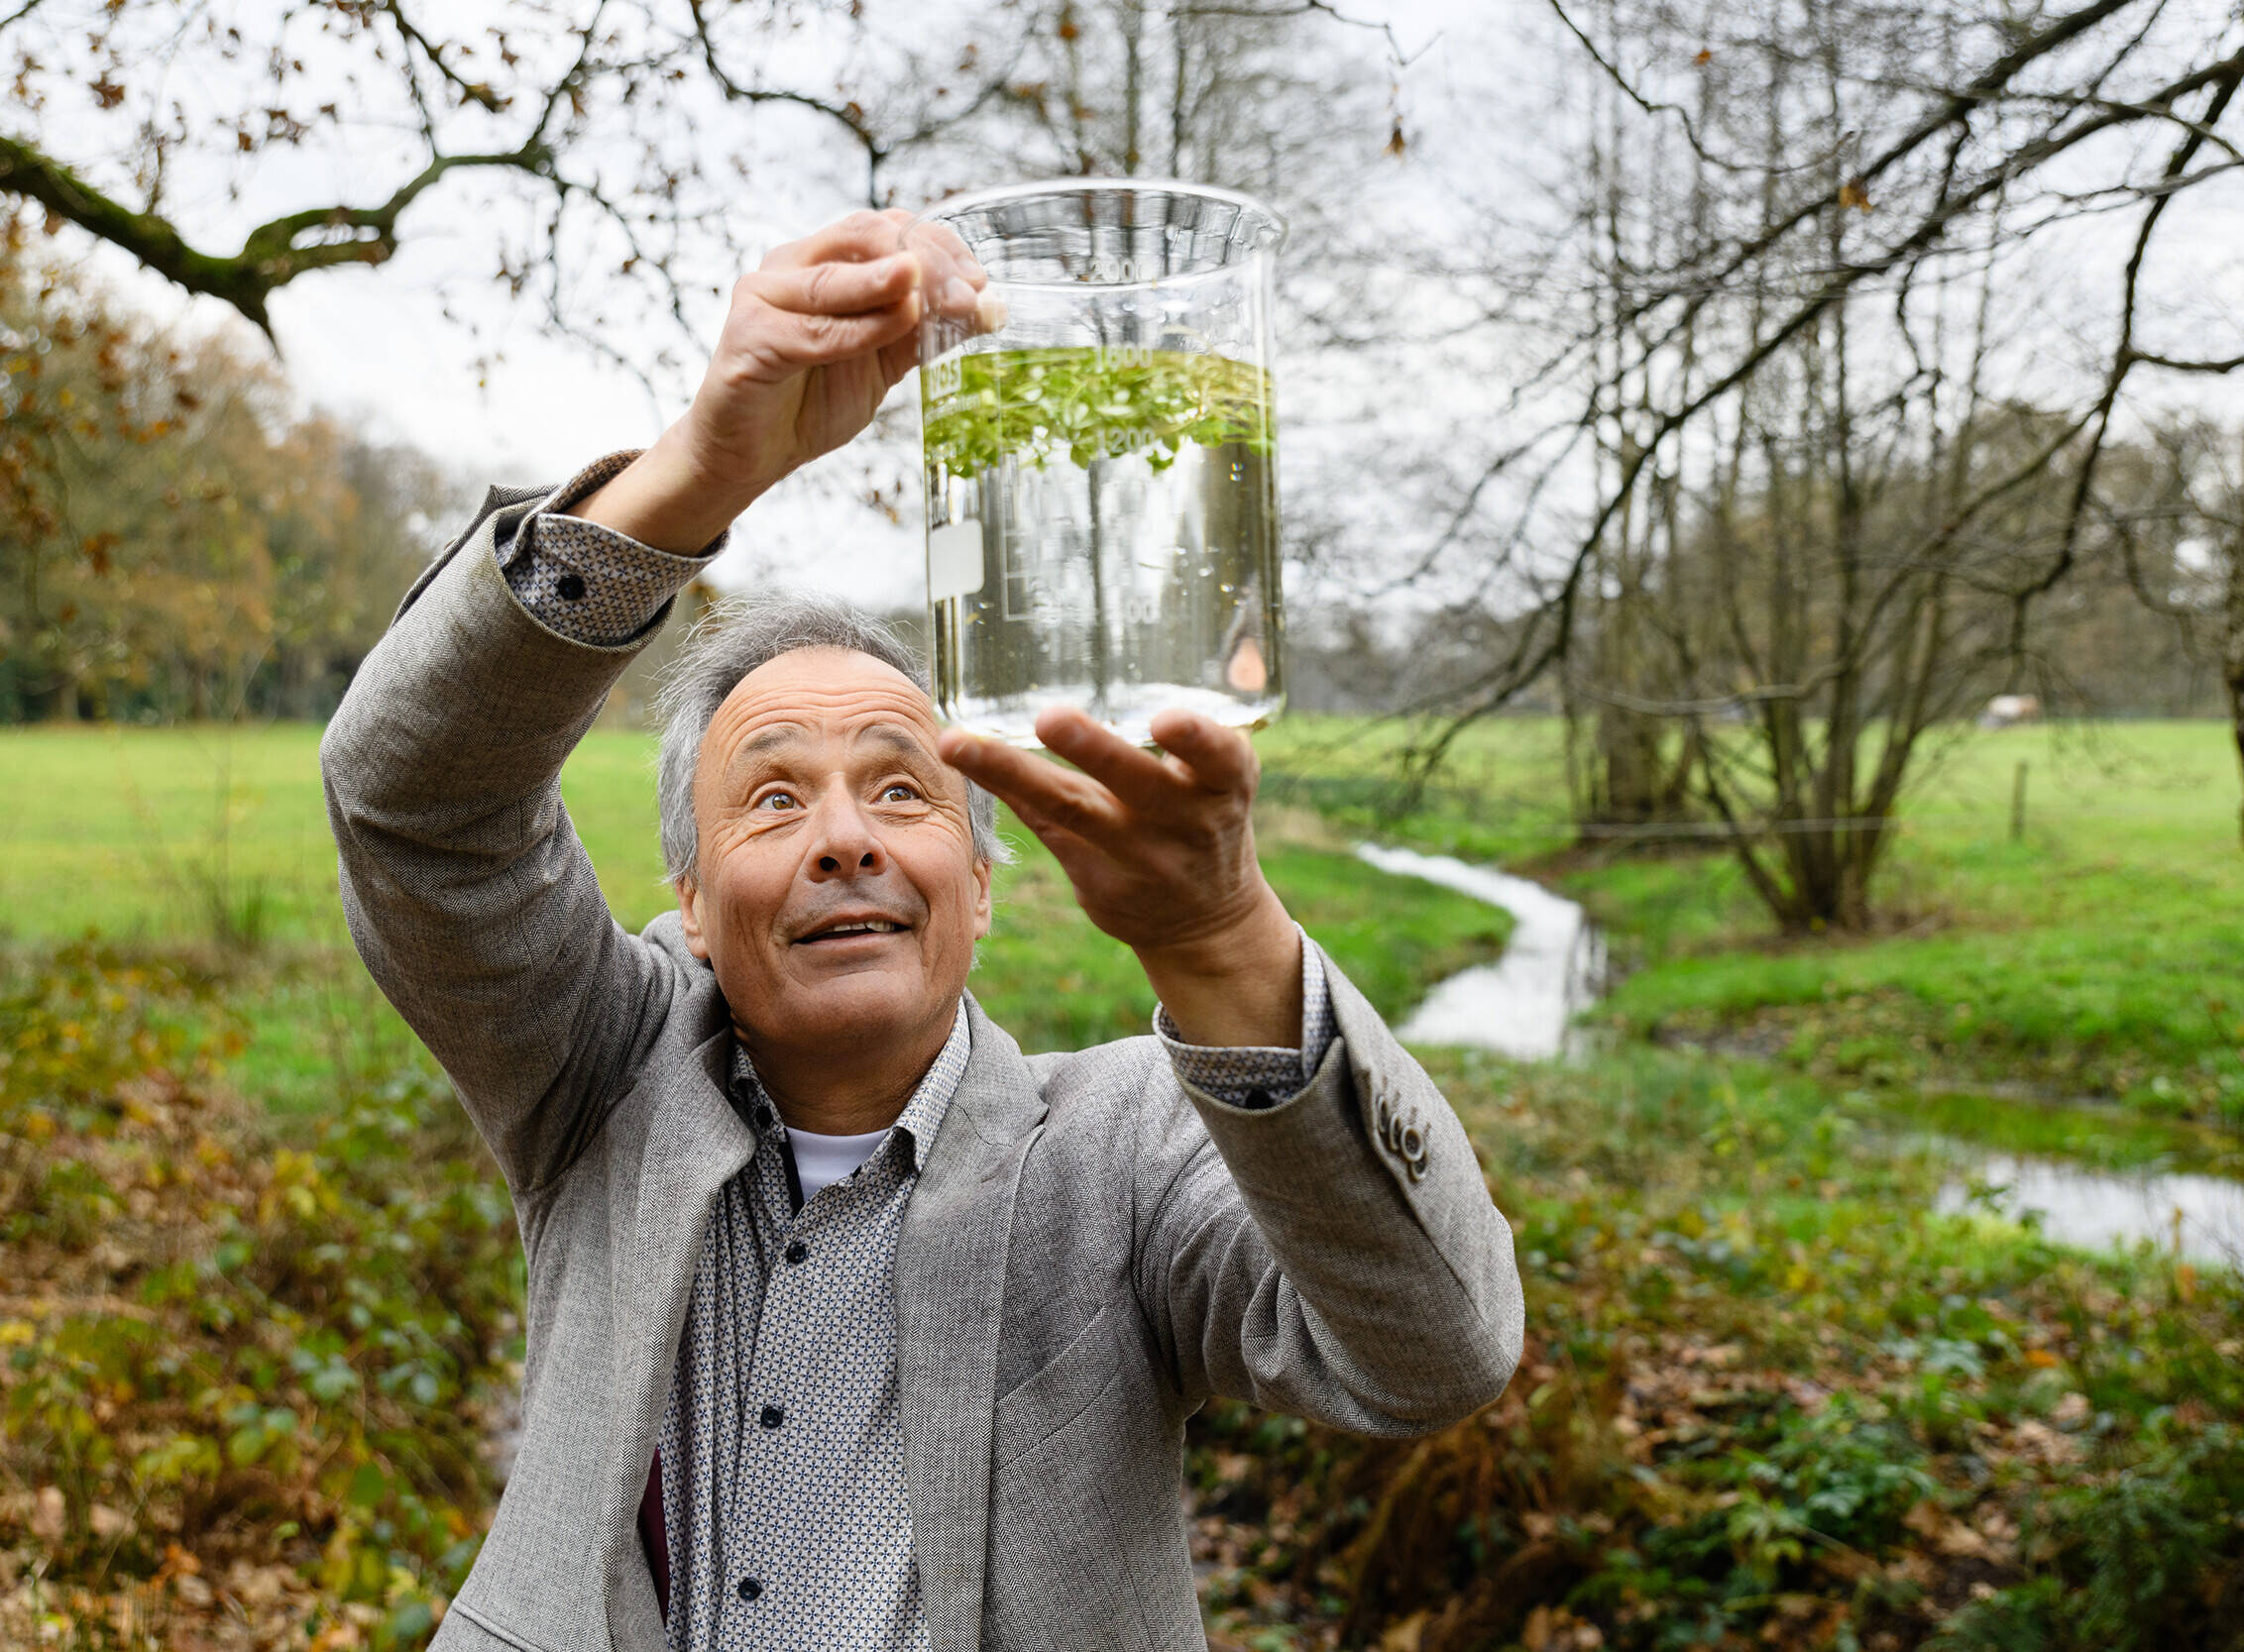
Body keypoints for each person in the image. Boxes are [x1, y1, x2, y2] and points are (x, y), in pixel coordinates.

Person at [321, 209, 1522, 1652]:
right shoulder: (594, 1078)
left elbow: (1435, 1352)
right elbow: (411, 802)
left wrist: (1223, 935)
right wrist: (696, 471)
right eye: (772, 800)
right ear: (692, 906)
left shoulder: (1122, 1151)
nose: (846, 837)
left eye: (903, 785)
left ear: (983, 877)